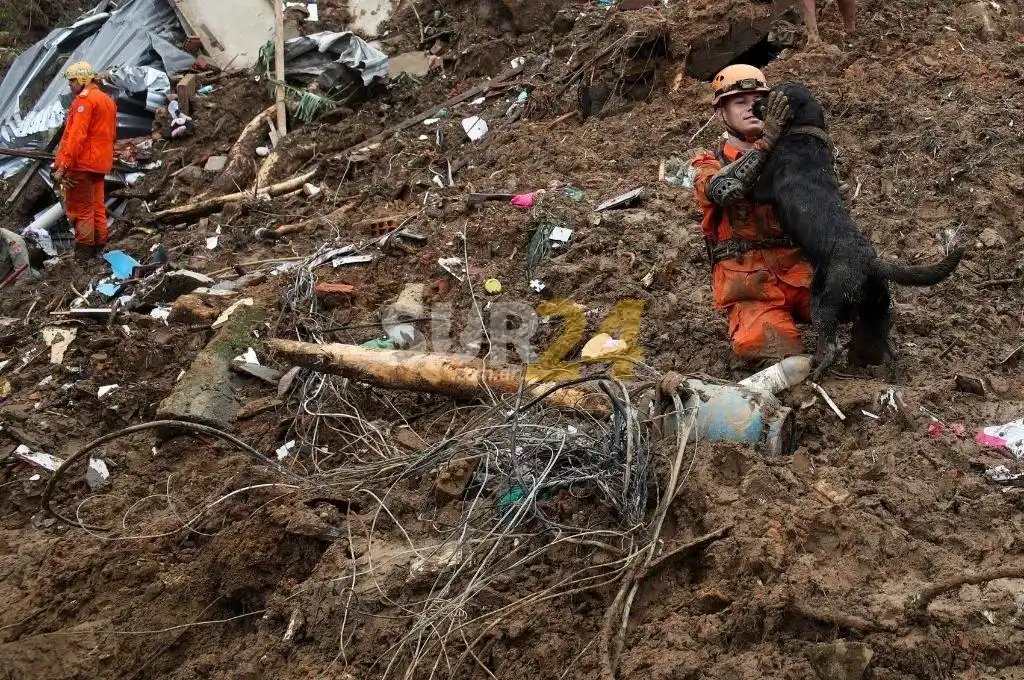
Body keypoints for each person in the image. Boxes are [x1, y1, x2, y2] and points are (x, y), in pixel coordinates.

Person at [688, 64, 814, 369]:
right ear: (722, 114)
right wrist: (765, 144)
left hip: (805, 277)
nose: (751, 108)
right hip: (752, 290)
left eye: (757, 100)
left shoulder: (793, 153)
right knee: (779, 357)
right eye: (739, 102)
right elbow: (724, 190)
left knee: (869, 298)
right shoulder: (707, 163)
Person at [53, 61, 117, 260]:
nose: (70, 85)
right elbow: (112, 134)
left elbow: (75, 136)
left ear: (82, 79)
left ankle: (84, 254)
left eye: (72, 81)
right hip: (100, 164)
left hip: (82, 164)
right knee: (96, 206)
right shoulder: (107, 100)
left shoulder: (84, 101)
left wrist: (63, 166)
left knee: (81, 209)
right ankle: (100, 248)